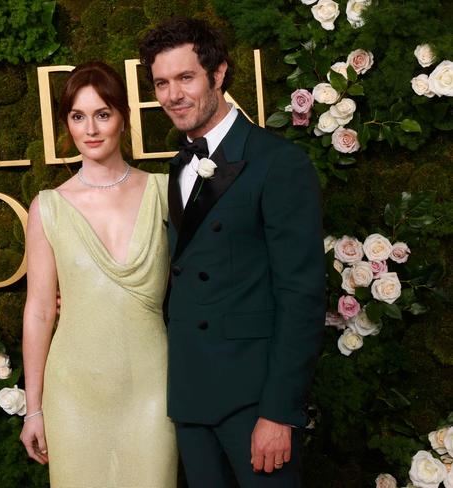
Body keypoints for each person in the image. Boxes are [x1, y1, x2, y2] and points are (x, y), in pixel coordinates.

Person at [139, 18, 326, 487]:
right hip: (189, 397)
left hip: (253, 401)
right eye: (162, 83)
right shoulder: (174, 166)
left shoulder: (279, 162)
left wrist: (279, 412)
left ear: (218, 74)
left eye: (186, 78)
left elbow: (301, 295)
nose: (172, 95)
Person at [19, 61, 177, 487]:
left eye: (102, 114)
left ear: (124, 117)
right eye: (78, 116)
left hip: (152, 390)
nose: (90, 128)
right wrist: (34, 408)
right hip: (73, 395)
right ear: (66, 123)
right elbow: (38, 312)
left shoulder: (166, 192)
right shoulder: (47, 207)